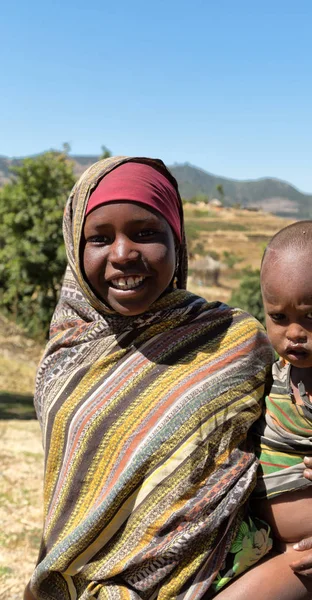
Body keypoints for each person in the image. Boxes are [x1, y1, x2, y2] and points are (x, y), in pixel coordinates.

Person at [24, 156, 274, 599]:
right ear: (75, 250)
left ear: (178, 244)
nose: (122, 254)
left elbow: (285, 437)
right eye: (99, 238)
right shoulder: (67, 354)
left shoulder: (236, 342)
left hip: (217, 583)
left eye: (146, 234)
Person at [214, 221, 312, 599]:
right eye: (279, 317)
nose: (295, 333)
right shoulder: (272, 376)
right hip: (263, 545)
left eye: (311, 317)